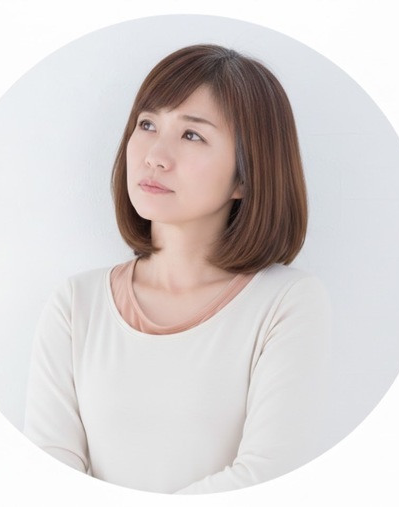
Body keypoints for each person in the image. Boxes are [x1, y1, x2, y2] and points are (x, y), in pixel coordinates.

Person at [23, 44, 331, 495]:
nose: (155, 155)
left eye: (191, 135)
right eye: (147, 125)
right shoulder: (76, 303)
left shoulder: (286, 302)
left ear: (245, 176)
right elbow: (49, 475)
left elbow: (267, 475)